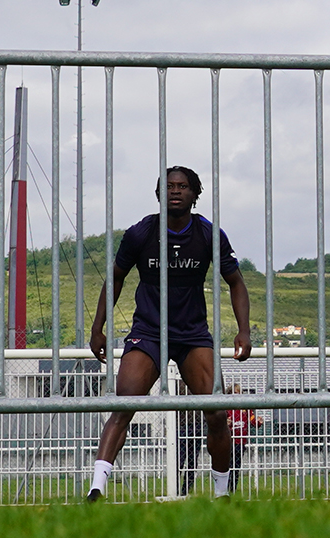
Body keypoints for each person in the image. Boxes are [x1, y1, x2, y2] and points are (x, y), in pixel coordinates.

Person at [86, 167, 252, 500]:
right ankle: (96, 489)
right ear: (160, 194)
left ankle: (222, 494)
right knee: (124, 403)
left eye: (183, 186)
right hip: (148, 331)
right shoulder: (141, 233)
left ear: (194, 194)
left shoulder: (208, 234)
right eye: (169, 187)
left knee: (217, 412)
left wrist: (243, 331)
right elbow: (115, 277)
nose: (176, 191)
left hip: (192, 334)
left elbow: (236, 282)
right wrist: (97, 327)